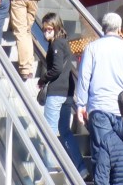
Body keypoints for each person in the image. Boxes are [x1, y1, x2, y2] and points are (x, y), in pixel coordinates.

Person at [74, 11, 123, 167]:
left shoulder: (92, 48)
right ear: (120, 29)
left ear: (103, 28)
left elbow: (84, 78)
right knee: (119, 150)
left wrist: (81, 104)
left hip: (98, 107)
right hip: (121, 109)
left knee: (101, 151)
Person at [37, 11, 88, 179]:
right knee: (65, 131)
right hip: (67, 94)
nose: (46, 33)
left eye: (49, 29)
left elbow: (57, 68)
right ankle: (81, 168)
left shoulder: (56, 44)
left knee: (50, 131)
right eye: (44, 30)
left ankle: (50, 168)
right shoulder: (64, 42)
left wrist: (43, 79)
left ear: (56, 27)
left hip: (56, 93)